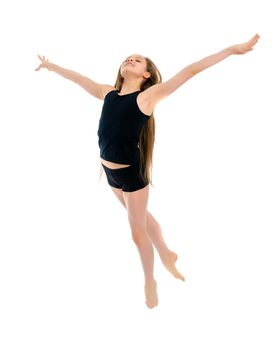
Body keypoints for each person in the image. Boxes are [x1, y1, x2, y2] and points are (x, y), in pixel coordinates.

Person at [35, 33, 260, 308]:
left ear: (146, 74)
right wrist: (51, 66)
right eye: (128, 58)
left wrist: (230, 49)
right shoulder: (108, 93)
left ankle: (149, 281)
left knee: (137, 232)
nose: (130, 59)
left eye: (138, 59)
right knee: (141, 217)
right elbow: (78, 78)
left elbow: (191, 70)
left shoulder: (148, 97)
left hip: (131, 176)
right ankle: (167, 254)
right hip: (110, 174)